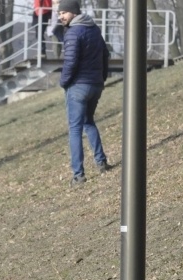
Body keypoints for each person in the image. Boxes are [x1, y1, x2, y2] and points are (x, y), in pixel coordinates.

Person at [58, 0, 111, 186]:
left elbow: (70, 62)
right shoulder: (94, 29)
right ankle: (101, 162)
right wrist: (101, 78)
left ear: (74, 12)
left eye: (64, 13)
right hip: (95, 85)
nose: (61, 16)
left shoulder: (73, 32)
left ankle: (78, 175)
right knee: (89, 122)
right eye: (59, 14)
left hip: (78, 86)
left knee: (75, 129)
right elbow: (105, 54)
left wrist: (64, 82)